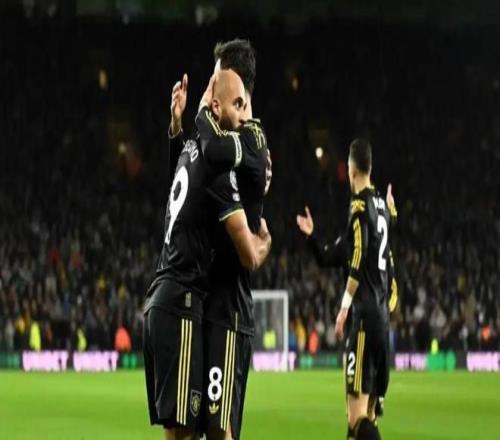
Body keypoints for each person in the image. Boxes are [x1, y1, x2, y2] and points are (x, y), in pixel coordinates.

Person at [143, 69, 272, 440]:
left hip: (164, 299)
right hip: (183, 302)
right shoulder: (218, 166)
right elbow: (249, 256)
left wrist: (176, 127)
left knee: (183, 433)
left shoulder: (190, 149)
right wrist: (263, 246)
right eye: (237, 105)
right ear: (216, 106)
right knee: (189, 435)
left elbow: (180, 178)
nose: (244, 115)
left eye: (245, 105)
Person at [297, 139, 396, 440]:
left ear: (351, 170)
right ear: (371, 167)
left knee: (356, 421)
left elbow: (359, 256)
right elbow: (333, 255)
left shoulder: (358, 207)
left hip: (363, 321)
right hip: (382, 322)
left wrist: (343, 309)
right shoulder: (382, 208)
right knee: (368, 416)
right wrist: (312, 237)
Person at [200, 39, 271, 440]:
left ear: (235, 83)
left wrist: (198, 113)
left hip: (229, 311)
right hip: (213, 305)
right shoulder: (240, 140)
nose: (211, 88)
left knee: (220, 429)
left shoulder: (251, 138)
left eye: (216, 78)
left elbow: (211, 148)